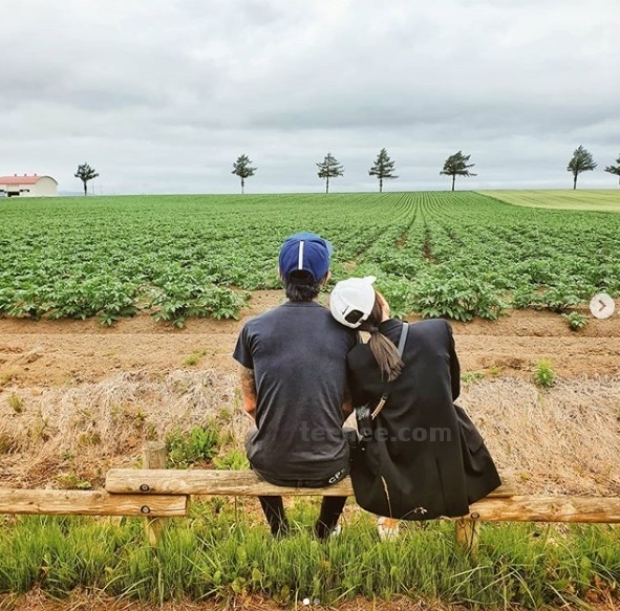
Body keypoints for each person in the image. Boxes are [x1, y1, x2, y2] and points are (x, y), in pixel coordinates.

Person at [329, 276, 501, 523]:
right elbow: (451, 392)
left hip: (395, 466)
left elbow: (363, 412)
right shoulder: (437, 330)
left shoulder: (356, 360)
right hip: (450, 461)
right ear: (380, 300)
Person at [233, 232, 358, 539]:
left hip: (271, 464)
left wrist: (277, 427)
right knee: (352, 440)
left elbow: (250, 404)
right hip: (329, 466)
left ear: (280, 275)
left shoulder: (254, 328)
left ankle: (279, 529)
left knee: (254, 439)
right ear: (325, 278)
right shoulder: (346, 332)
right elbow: (348, 403)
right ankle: (325, 529)